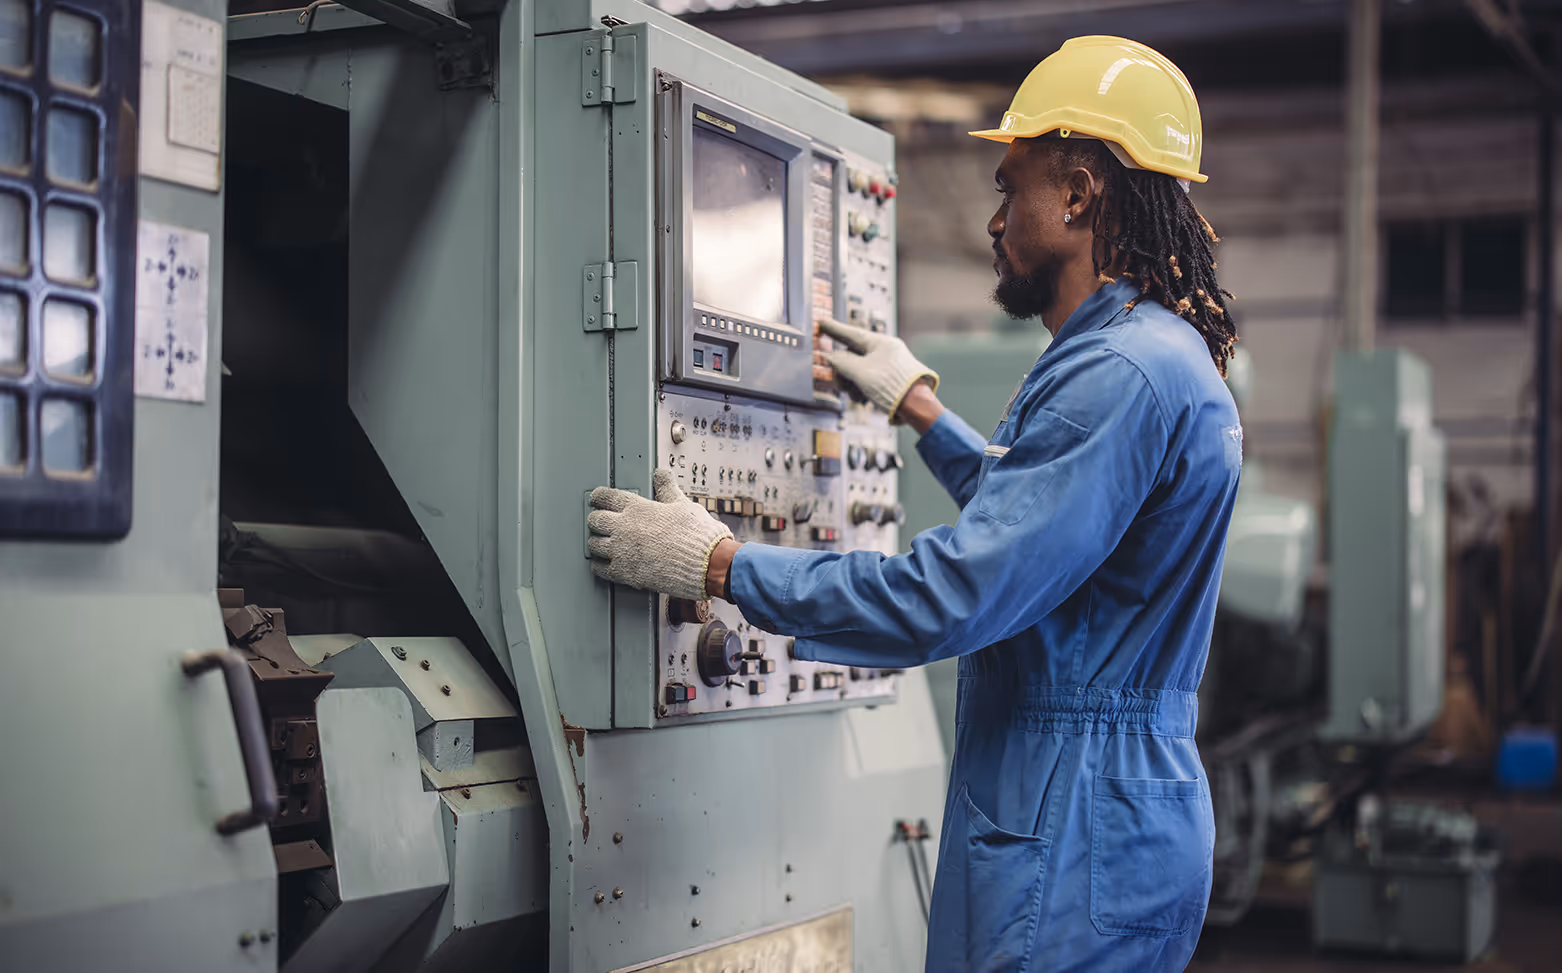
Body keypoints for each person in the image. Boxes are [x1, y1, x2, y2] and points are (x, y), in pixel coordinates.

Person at [589, 35, 1241, 972]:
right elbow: (1060, 537)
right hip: (1122, 813)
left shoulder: (1117, 373)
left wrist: (718, 563)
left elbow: (958, 593)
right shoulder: (1161, 357)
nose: (995, 218)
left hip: (1069, 824)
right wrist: (919, 409)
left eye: (1010, 186)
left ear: (1080, 193)